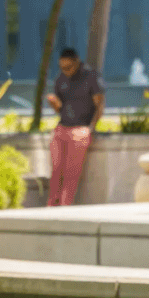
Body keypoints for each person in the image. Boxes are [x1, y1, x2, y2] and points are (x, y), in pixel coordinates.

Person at [46, 47, 104, 206]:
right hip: (62, 127)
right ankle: (52, 205)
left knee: (72, 172)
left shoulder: (91, 77)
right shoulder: (61, 79)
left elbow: (99, 105)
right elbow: (62, 109)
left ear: (77, 62)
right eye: (62, 68)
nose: (65, 71)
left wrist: (91, 128)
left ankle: (65, 206)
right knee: (56, 170)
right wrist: (54, 105)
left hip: (81, 129)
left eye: (68, 67)